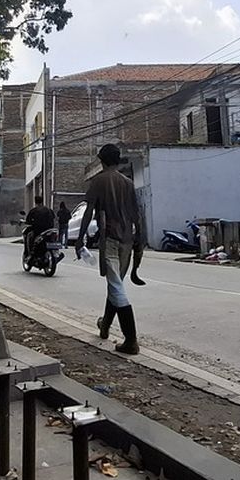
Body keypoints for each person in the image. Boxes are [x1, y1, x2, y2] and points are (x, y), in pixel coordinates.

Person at [77, 143, 144, 355]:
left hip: (111, 239)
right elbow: (136, 213)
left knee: (116, 286)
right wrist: (140, 238)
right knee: (116, 285)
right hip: (128, 239)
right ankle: (104, 325)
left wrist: (80, 238)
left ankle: (131, 339)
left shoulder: (99, 181)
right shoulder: (128, 182)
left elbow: (88, 212)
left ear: (101, 160)